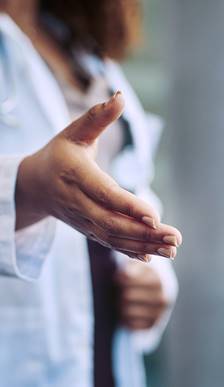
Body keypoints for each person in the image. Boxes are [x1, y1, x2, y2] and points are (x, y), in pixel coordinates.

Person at [0, 1, 182, 387]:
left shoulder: (80, 49)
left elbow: (131, 179)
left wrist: (154, 277)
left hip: (105, 349)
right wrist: (27, 188)